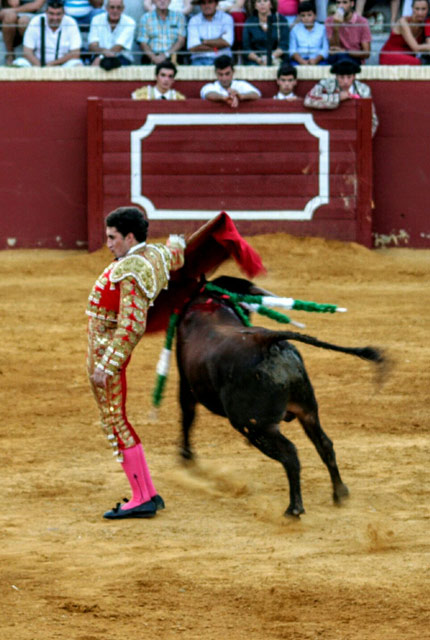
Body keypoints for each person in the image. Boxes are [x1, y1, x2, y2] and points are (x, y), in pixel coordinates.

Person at [86, 206, 186, 520]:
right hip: (107, 351)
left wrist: (107, 365)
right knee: (116, 420)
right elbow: (175, 255)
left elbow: (131, 326)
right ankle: (147, 493)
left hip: (108, 353)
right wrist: (177, 245)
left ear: (130, 237)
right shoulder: (154, 254)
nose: (109, 244)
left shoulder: (131, 270)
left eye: (113, 238)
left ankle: (142, 496)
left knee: (115, 421)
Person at [304, 58, 378, 137]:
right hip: (329, 130)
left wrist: (364, 139)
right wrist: (337, 97)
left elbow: (372, 119)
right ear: (336, 77)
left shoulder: (363, 90)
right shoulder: (326, 84)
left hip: (354, 135)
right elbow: (308, 100)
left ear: (354, 77)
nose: (345, 81)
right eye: (342, 77)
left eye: (349, 77)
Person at [14, 0, 83, 67]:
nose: (55, 18)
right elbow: (27, 52)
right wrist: (41, 68)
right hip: (37, 64)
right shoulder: (36, 21)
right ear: (46, 12)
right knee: (19, 63)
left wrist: (52, 64)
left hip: (62, 65)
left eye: (58, 14)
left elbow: (75, 54)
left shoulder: (71, 22)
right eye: (51, 13)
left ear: (63, 13)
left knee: (77, 65)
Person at [379, 0, 430, 65]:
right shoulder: (403, 21)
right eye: (417, 9)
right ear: (412, 9)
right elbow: (416, 48)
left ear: (428, 10)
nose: (420, 13)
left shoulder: (425, 24)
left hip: (409, 57)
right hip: (390, 55)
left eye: (423, 9)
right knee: (417, 63)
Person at [88, 0, 136, 68]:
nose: (115, 10)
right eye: (112, 7)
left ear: (123, 9)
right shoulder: (96, 20)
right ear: (106, 8)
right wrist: (102, 53)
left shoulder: (130, 22)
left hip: (120, 57)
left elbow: (118, 47)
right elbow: (92, 46)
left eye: (118, 7)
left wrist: (102, 57)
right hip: (99, 56)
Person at [138, 0, 186, 65]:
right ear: (153, 1)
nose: (162, 1)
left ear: (170, 1)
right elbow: (143, 43)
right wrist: (154, 58)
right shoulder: (145, 18)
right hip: (152, 57)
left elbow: (181, 41)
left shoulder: (179, 17)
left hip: (173, 57)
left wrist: (166, 55)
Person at [187, 0, 234, 65]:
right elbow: (192, 47)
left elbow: (227, 42)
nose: (207, 6)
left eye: (210, 2)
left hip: (222, 58)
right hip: (199, 59)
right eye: (203, 3)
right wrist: (218, 44)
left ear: (216, 3)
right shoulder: (194, 20)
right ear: (200, 5)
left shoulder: (226, 18)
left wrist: (204, 41)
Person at [242, 0, 289, 66]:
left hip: (277, 58)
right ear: (255, 6)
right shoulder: (249, 22)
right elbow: (246, 48)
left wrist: (270, 58)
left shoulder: (281, 20)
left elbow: (283, 46)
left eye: (265, 0)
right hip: (256, 60)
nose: (262, 4)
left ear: (271, 4)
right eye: (258, 1)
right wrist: (258, 59)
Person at [325, 0, 372, 64]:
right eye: (338, 3)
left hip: (355, 58)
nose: (341, 6)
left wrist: (345, 52)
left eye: (345, 2)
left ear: (352, 3)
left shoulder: (362, 22)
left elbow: (366, 53)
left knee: (343, 59)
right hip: (337, 57)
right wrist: (336, 28)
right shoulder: (329, 20)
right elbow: (333, 47)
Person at [0, 0, 45, 66]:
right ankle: (10, 55)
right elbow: (14, 3)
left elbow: (36, 6)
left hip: (35, 14)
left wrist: (13, 10)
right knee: (9, 17)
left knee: (23, 21)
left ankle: (29, 55)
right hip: (11, 12)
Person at [289, 0, 329, 65]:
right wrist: (301, 61)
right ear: (299, 17)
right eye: (303, 15)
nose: (306, 18)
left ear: (315, 16)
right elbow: (292, 50)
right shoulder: (295, 29)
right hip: (299, 60)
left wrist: (316, 60)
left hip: (318, 59)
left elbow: (325, 49)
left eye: (309, 15)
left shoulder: (322, 29)